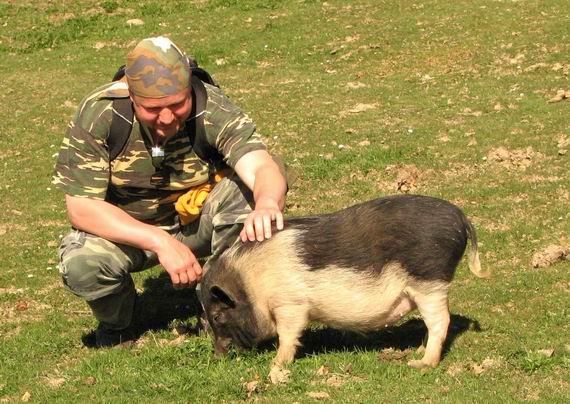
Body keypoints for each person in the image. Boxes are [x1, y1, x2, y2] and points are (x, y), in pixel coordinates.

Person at [52, 36, 288, 347]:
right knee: (82, 264)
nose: (167, 118)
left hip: (197, 224)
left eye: (178, 104)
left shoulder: (211, 106)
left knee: (247, 193)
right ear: (132, 97)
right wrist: (159, 241)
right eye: (153, 109)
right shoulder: (102, 114)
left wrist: (268, 202)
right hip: (129, 233)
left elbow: (261, 167)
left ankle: (221, 311)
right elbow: (81, 207)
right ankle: (119, 323)